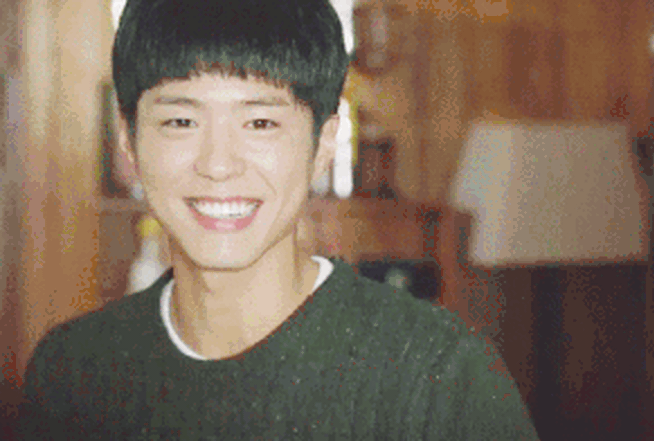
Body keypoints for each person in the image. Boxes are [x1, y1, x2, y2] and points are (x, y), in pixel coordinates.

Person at [18, 0, 539, 439]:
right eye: (180, 120)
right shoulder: (72, 372)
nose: (218, 165)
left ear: (324, 144)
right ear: (129, 141)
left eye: (261, 122)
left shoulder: (438, 377)